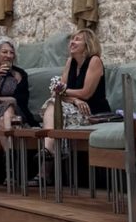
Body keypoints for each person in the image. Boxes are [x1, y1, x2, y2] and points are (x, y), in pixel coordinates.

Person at [37, 28, 111, 167]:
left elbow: (86, 93)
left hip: (91, 112)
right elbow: (56, 93)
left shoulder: (94, 61)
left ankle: (46, 163)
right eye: (72, 39)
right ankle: (47, 152)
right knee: (54, 106)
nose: (72, 42)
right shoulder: (70, 62)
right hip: (73, 107)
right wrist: (75, 100)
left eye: (77, 39)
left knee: (54, 109)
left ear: (88, 44)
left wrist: (64, 91)